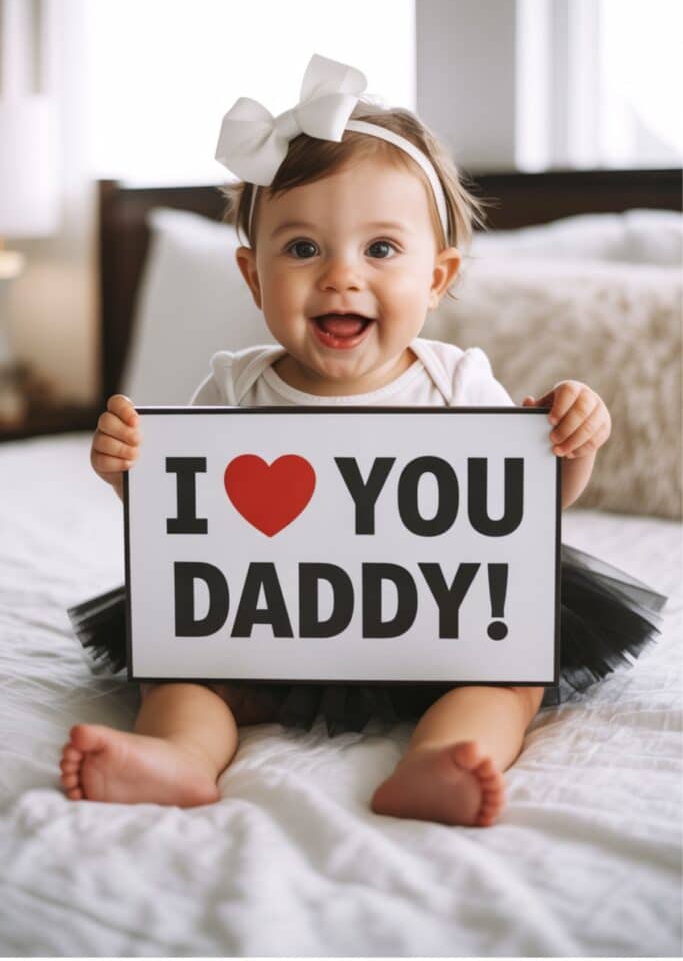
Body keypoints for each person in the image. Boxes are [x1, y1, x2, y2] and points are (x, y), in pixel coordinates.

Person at [59, 53, 664, 825]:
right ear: (251, 276)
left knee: (508, 674)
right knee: (182, 670)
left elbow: (527, 502)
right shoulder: (235, 387)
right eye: (302, 248)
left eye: (380, 250)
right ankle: (179, 756)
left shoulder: (454, 382)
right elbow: (187, 512)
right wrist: (128, 471)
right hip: (275, 621)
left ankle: (440, 758)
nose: (341, 276)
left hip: (435, 623)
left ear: (437, 277)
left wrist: (568, 445)